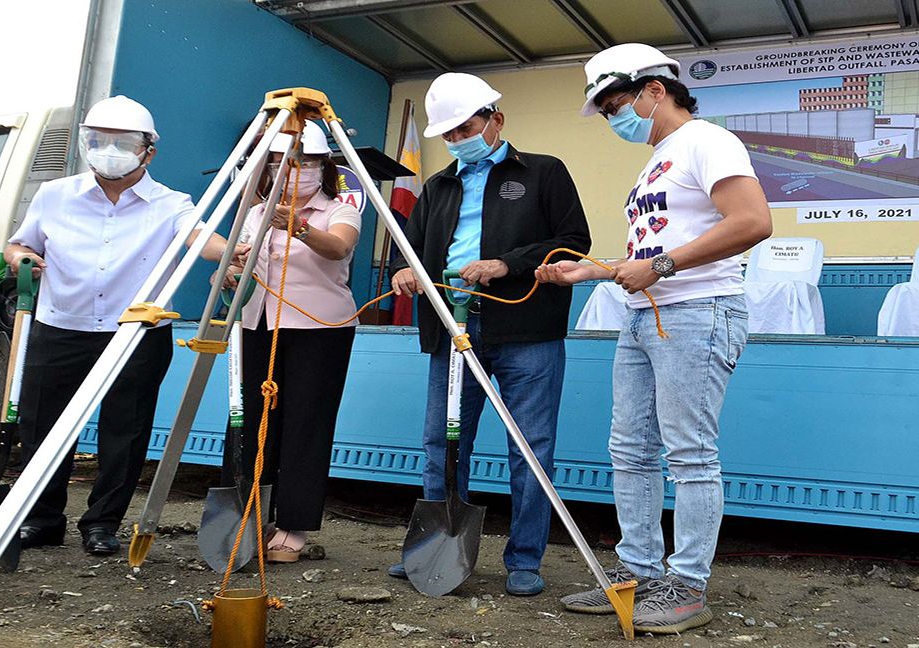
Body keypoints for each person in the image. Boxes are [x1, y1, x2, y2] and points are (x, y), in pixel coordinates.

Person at [538, 43, 772, 633]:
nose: (614, 117)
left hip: (697, 311)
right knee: (630, 450)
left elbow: (753, 222)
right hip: (646, 314)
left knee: (689, 452)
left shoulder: (707, 141)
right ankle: (637, 575)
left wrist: (662, 268)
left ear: (654, 90)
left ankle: (687, 586)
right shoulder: (657, 161)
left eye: (617, 102)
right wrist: (591, 270)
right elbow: (651, 252)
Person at [387, 73, 591, 596]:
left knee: (530, 447)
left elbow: (573, 241)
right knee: (442, 443)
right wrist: (403, 272)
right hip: (452, 327)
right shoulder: (436, 186)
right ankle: (434, 548)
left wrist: (507, 264)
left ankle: (524, 559)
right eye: (449, 134)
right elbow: (407, 251)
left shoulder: (545, 172)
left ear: (496, 119)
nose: (457, 140)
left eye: (465, 128)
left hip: (526, 331)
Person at [4, 95, 235, 556]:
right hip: (60, 325)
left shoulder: (171, 203)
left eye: (122, 142)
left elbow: (200, 237)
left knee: (124, 434)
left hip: (135, 332)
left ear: (148, 150)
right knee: (43, 427)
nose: (109, 149)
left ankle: (101, 524)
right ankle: (43, 519)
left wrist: (230, 255)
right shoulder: (55, 195)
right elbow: (18, 245)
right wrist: (22, 259)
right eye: (98, 140)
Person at [222, 122, 361, 563]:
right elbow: (232, 265)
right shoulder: (252, 211)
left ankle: (293, 524)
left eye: (304, 163)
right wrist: (227, 270)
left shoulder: (340, 210)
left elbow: (338, 249)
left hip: (320, 329)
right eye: (281, 163)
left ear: (323, 168)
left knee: (306, 423)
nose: (292, 171)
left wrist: (295, 226)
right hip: (256, 323)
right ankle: (243, 513)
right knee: (250, 420)